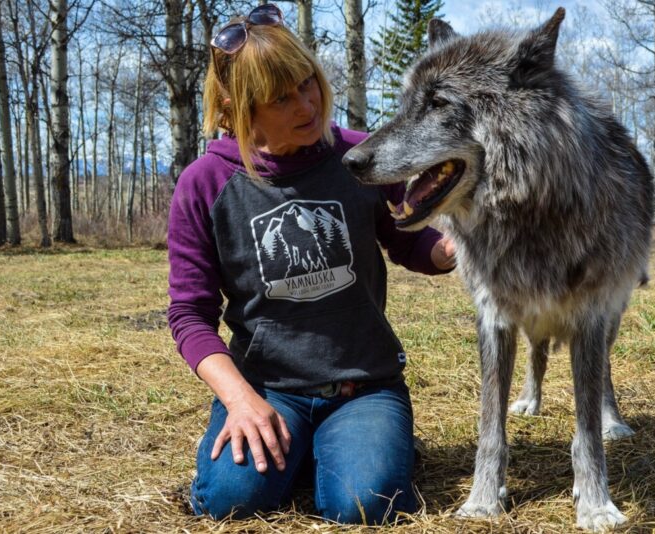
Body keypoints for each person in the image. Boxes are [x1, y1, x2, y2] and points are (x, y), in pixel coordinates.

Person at [166, 4, 455, 524]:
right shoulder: (204, 183)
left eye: (308, 84)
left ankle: (358, 448)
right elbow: (189, 315)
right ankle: (307, 450)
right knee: (232, 501)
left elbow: (408, 240)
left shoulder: (356, 155)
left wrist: (458, 249)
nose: (307, 104)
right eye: (281, 98)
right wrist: (240, 401)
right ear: (236, 106)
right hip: (268, 389)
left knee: (366, 504)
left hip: (363, 385)